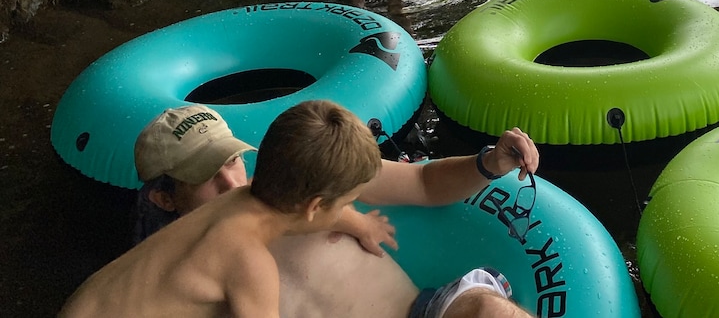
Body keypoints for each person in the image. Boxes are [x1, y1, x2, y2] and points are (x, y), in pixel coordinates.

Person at [129, 102, 539, 317]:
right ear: (164, 198)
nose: (232, 183)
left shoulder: (300, 176)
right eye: (206, 175)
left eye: (231, 160)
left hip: (424, 312)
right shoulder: (175, 281)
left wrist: (488, 163)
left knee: (489, 311)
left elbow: (423, 183)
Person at [59, 100, 380, 318]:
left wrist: (358, 223)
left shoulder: (236, 201)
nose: (229, 181)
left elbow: (301, 214)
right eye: (344, 203)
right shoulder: (250, 264)